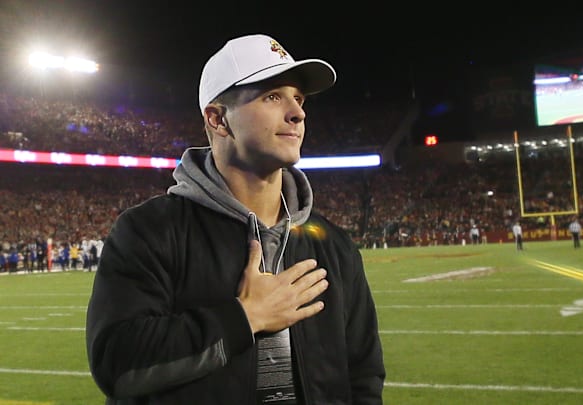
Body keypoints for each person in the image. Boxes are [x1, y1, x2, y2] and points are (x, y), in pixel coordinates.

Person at [85, 34, 385, 404]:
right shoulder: (151, 230)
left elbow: (364, 377)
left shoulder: (333, 244)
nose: (297, 112)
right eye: (273, 96)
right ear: (217, 118)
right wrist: (244, 318)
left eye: (299, 98)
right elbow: (117, 365)